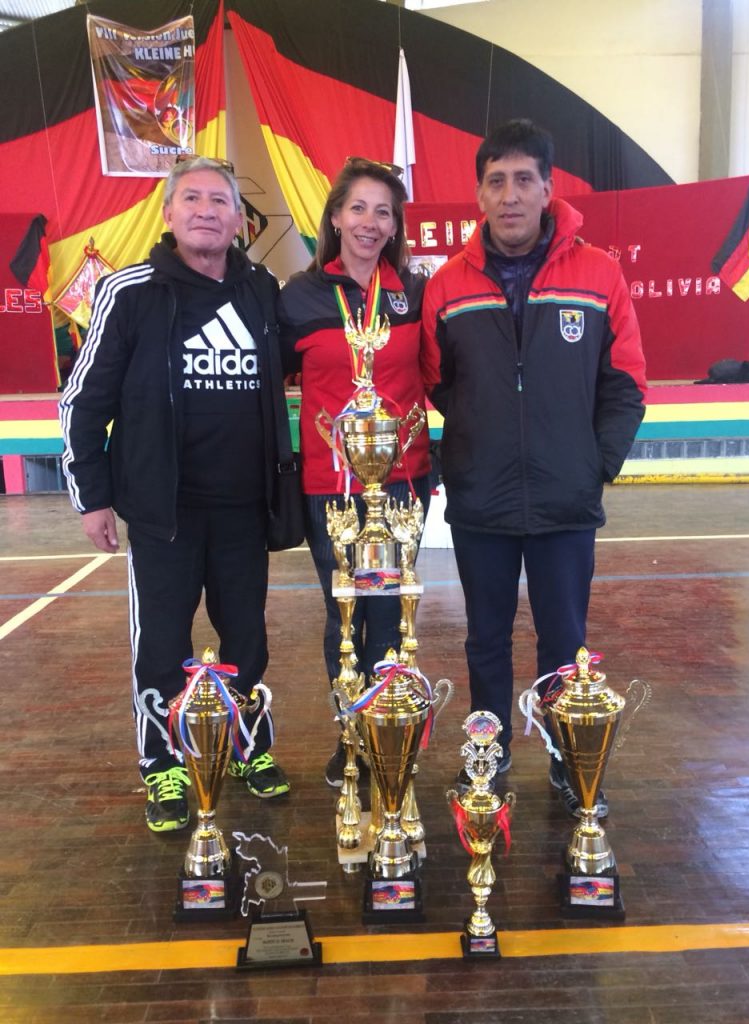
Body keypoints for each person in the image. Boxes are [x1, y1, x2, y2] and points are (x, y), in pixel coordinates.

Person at [60, 156, 291, 833]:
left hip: (244, 508)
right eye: (191, 198)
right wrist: (92, 497)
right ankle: (162, 763)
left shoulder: (261, 289)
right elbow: (83, 401)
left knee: (247, 638)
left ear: (239, 219)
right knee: (161, 644)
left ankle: (247, 744)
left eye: (220, 200)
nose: (206, 211)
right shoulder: (129, 291)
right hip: (164, 512)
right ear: (168, 213)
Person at [422, 119, 646, 814]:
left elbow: (626, 383)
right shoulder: (447, 285)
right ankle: (487, 761)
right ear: (479, 194)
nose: (510, 195)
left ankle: (565, 759)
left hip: (564, 499)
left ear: (549, 189)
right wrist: (477, 443)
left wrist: (592, 463)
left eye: (524, 180)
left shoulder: (599, 273)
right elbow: (439, 381)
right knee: (485, 641)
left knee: (566, 644)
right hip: (482, 500)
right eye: (496, 181)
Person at [278, 157, 439, 787]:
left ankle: (387, 732)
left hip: (402, 485)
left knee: (392, 612)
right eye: (358, 208)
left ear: (395, 225)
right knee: (345, 613)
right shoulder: (299, 297)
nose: (370, 222)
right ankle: (350, 736)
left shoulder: (415, 293)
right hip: (331, 489)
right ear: (336, 218)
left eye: (384, 212)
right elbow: (265, 383)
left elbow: (443, 373)